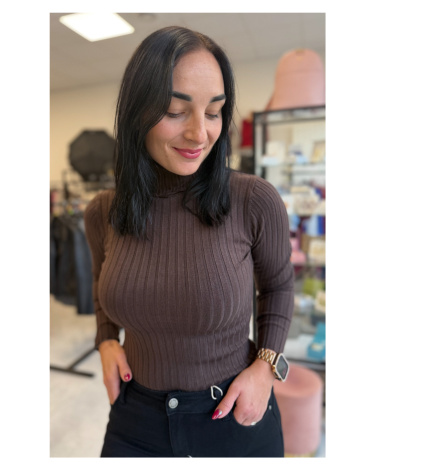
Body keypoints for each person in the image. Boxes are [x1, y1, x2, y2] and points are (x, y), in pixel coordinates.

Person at [84, 26, 295, 458]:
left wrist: (266, 366)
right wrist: (106, 339)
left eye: (214, 112)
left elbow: (278, 286)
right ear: (137, 112)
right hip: (135, 417)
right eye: (176, 111)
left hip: (232, 412)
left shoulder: (253, 200)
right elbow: (102, 285)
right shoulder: (103, 211)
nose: (200, 133)